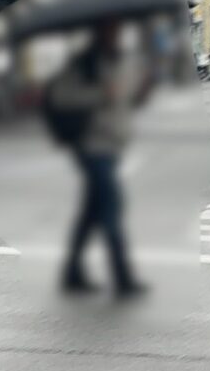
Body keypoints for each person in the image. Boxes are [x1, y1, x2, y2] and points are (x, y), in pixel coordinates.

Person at [44, 20, 148, 299]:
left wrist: (139, 90)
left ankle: (71, 273)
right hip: (91, 146)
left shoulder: (121, 62)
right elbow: (62, 97)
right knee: (112, 210)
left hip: (112, 146)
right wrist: (99, 94)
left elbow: (126, 100)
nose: (115, 35)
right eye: (110, 31)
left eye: (117, 31)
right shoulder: (83, 64)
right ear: (99, 34)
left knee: (92, 212)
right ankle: (123, 278)